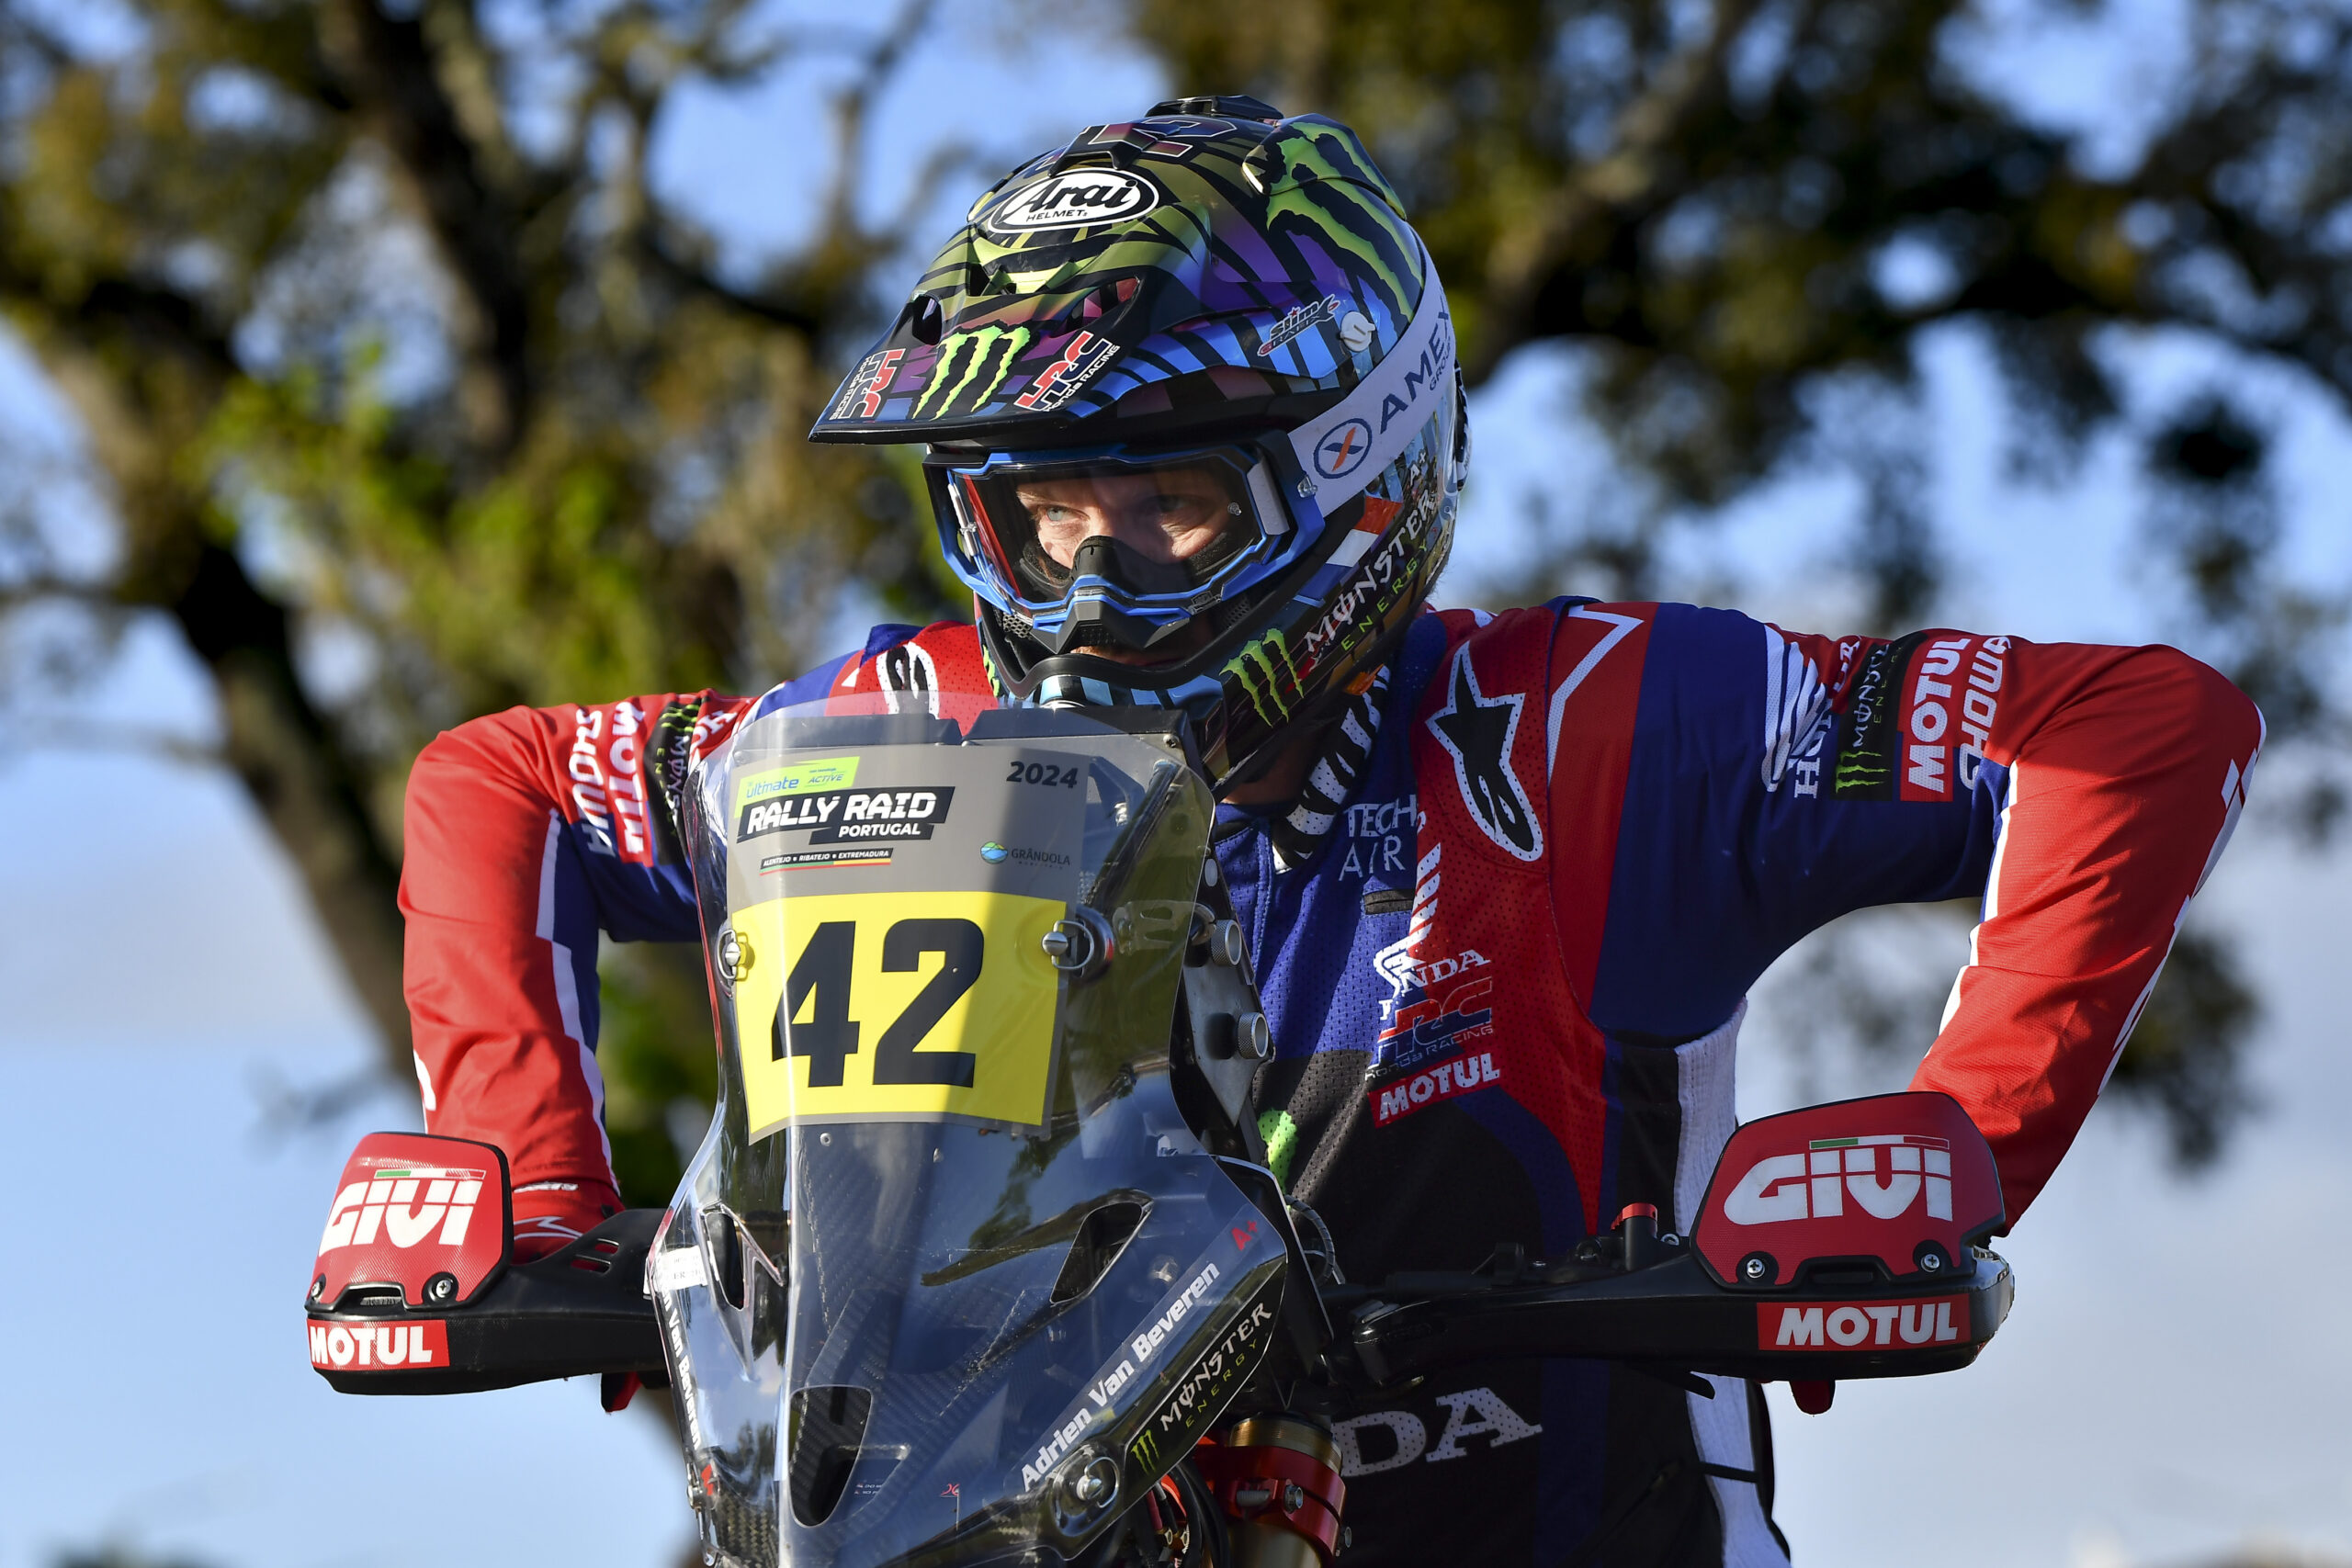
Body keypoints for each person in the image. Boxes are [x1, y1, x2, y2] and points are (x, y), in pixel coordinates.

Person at [397, 97, 2263, 1566]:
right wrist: (536, 1174)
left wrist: (1957, 1135)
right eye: (1036, 504)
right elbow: (501, 780)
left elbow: (2132, 727)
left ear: (1359, 468)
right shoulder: (884, 741)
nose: (1086, 568)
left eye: (1170, 500)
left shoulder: (1593, 723)